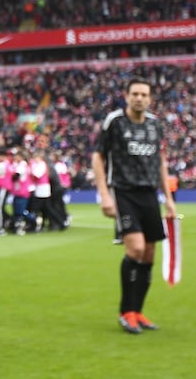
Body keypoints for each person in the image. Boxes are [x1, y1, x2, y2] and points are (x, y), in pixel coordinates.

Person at [91, 78, 177, 334]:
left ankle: (138, 312)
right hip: (124, 192)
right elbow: (98, 157)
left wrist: (169, 199)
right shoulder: (114, 122)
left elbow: (160, 161)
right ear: (126, 96)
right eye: (135, 94)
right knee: (136, 249)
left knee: (149, 254)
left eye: (144, 94)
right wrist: (105, 195)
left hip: (150, 194)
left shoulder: (154, 124)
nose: (139, 98)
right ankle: (125, 311)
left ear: (150, 99)